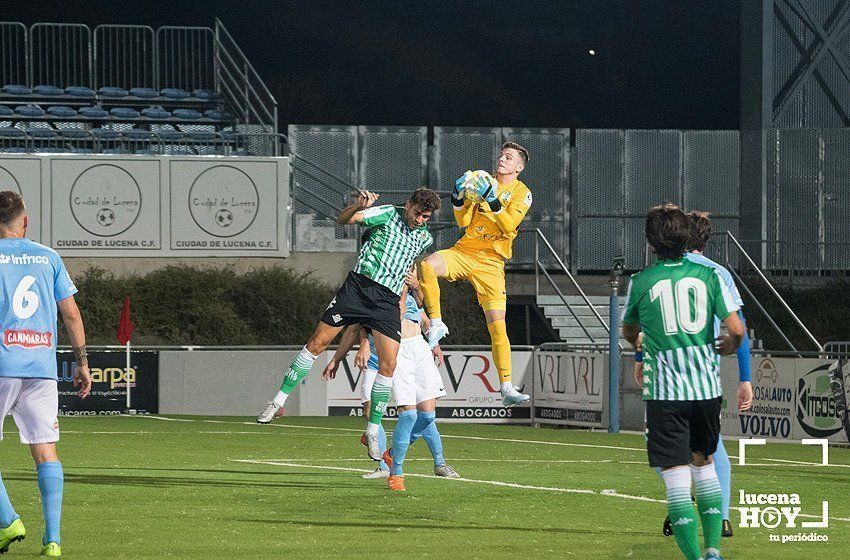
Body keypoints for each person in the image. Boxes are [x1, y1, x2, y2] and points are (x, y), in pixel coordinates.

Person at [256, 188, 440, 462]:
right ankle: (278, 402)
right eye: (418, 213)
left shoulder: (425, 238)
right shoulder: (388, 213)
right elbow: (345, 221)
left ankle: (373, 429)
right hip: (357, 289)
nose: (421, 219)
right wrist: (356, 206)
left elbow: (406, 267)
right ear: (409, 205)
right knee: (316, 344)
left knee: (388, 365)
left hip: (386, 301)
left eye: (426, 216)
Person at [622, 204, 745, 560]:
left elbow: (630, 328)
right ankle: (713, 551)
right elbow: (736, 329)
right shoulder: (711, 277)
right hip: (705, 390)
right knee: (703, 465)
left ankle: (695, 558)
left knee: (676, 478)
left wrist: (638, 342)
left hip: (665, 394)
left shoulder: (642, 281)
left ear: (651, 243)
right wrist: (728, 345)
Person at [0, 191, 92, 558]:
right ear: (25, 222)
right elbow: (70, 314)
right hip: (41, 368)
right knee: (46, 452)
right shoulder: (49, 257)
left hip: (2, 363)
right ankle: (52, 540)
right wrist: (82, 362)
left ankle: (8, 521)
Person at [418, 142, 533, 407]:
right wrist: (458, 197)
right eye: (502, 155)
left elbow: (509, 224)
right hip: (465, 252)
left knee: (497, 326)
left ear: (519, 167)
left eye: (509, 157)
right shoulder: (482, 181)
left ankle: (505, 387)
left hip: (491, 263)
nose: (502, 160)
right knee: (427, 264)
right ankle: (436, 323)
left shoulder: (522, 192)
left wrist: (491, 199)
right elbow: (462, 220)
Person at [323, 273, 459, 485]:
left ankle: (392, 454)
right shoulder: (371, 289)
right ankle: (395, 472)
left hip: (419, 347)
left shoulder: (407, 282)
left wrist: (417, 288)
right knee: (408, 415)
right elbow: (354, 328)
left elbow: (423, 313)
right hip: (396, 352)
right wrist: (341, 357)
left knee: (428, 416)